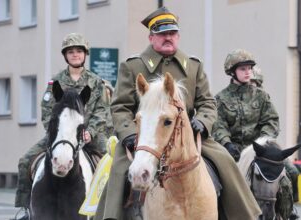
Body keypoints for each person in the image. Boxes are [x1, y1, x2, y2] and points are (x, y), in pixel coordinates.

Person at [94, 7, 261, 220]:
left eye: (172, 34)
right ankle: (111, 216)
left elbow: (208, 103)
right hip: (143, 137)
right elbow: (119, 107)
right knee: (118, 172)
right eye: (162, 34)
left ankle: (242, 214)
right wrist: (129, 134)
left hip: (188, 134)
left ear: (178, 36)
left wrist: (202, 122)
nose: (168, 38)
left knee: (225, 162)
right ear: (151, 37)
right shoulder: (133, 66)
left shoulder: (193, 66)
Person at [14, 33, 112, 220]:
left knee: (113, 164)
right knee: (25, 161)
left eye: (78, 51)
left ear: (85, 54)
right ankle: (26, 209)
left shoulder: (96, 82)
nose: (75, 55)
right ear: (65, 55)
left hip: (90, 133)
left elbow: (102, 111)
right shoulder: (55, 82)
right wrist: (56, 131)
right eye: (71, 52)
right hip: (61, 134)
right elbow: (47, 109)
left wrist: (90, 132)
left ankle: (111, 211)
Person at [212, 49, 299, 219]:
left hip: (260, 150)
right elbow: (218, 125)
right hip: (232, 150)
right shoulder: (220, 99)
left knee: (292, 172)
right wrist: (227, 143)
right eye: (243, 69)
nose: (248, 72)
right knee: (215, 178)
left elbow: (272, 121)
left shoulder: (262, 96)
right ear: (232, 71)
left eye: (249, 68)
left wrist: (262, 142)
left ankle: (287, 211)